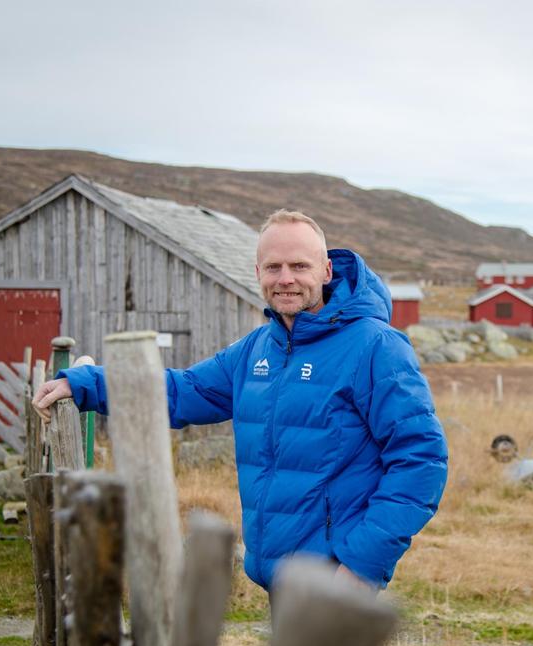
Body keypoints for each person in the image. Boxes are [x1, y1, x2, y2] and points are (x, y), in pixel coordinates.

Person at [33, 209, 448, 592]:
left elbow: (421, 459)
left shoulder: (375, 347)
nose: (285, 278)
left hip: (334, 581)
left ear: (325, 271)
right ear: (257, 272)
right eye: (274, 267)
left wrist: (360, 565)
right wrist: (88, 384)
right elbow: (182, 391)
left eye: (299, 266)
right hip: (277, 574)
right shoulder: (256, 350)